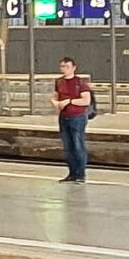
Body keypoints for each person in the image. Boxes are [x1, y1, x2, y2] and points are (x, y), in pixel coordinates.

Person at [50, 55, 96, 184]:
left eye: (67, 66)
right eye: (62, 66)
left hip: (77, 117)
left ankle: (80, 174)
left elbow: (86, 101)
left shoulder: (80, 83)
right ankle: (72, 173)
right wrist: (55, 102)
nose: (64, 69)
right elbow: (56, 96)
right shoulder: (59, 82)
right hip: (64, 117)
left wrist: (69, 101)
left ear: (74, 68)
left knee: (78, 145)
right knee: (68, 147)